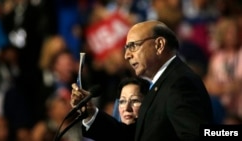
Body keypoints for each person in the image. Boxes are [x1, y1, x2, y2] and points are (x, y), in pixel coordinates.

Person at [70, 20, 213, 141]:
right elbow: (136, 136)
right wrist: (91, 113)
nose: (127, 55)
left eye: (133, 46)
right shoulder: (161, 83)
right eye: (126, 48)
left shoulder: (179, 83)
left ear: (159, 45)